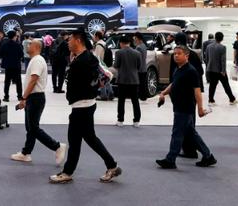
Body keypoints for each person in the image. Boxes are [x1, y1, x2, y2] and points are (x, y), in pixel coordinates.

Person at [50, 29, 121, 184]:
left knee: (76, 140)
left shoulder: (85, 59)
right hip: (84, 104)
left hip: (82, 106)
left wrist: (91, 87)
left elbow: (107, 75)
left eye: (70, 39)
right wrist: (93, 87)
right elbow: (106, 75)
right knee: (88, 138)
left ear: (78, 40)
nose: (68, 42)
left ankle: (68, 172)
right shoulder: (86, 57)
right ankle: (111, 165)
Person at [156, 45, 216, 169]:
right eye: (175, 54)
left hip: (185, 107)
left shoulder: (191, 71)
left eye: (179, 53)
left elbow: (197, 91)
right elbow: (174, 83)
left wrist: (200, 108)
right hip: (179, 106)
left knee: (177, 133)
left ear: (186, 56)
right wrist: (163, 93)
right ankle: (208, 156)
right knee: (191, 134)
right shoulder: (178, 69)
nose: (176, 56)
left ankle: (170, 159)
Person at [11, 39, 67, 164]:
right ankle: (26, 153)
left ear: (36, 46)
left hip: (35, 98)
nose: (27, 45)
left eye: (30, 44)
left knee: (33, 128)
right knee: (30, 127)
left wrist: (23, 97)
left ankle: (57, 146)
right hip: (33, 97)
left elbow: (33, 80)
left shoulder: (37, 60)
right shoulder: (36, 60)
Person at [113, 35, 142, 127]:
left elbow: (116, 65)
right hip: (134, 80)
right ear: (129, 43)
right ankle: (136, 121)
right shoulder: (137, 53)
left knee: (121, 101)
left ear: (121, 43)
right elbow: (139, 66)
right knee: (135, 101)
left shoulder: (118, 53)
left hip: (122, 80)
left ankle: (120, 120)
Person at [206, 32, 238, 105]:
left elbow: (206, 58)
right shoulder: (222, 47)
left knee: (212, 85)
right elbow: (223, 60)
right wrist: (223, 71)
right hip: (219, 70)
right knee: (226, 85)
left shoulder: (208, 46)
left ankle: (211, 101)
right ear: (222, 38)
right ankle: (232, 100)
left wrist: (208, 66)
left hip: (210, 69)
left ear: (215, 37)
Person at [0, 30, 23, 102]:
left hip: (8, 66)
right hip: (16, 65)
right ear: (14, 36)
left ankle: (6, 96)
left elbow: (0, 54)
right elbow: (21, 54)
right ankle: (19, 96)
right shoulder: (17, 45)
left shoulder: (4, 44)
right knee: (18, 81)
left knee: (7, 81)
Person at [133, 32, 148, 100]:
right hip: (144, 67)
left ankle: (141, 96)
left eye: (135, 38)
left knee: (140, 84)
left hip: (139, 68)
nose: (134, 39)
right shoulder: (144, 45)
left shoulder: (138, 47)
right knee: (143, 83)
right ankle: (143, 96)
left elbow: (137, 59)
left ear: (138, 38)